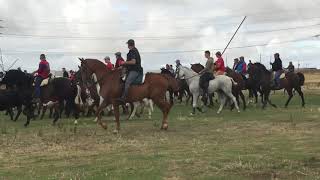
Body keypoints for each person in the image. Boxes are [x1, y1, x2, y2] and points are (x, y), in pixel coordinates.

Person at [117, 39, 143, 103]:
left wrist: (123, 62)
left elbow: (133, 62)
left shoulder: (133, 51)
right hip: (132, 70)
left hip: (135, 71)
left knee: (127, 82)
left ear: (129, 45)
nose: (127, 46)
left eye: (128, 44)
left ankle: (124, 98)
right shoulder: (133, 51)